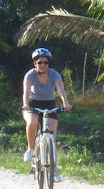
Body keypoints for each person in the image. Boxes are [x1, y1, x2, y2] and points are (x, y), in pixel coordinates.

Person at [22, 47, 72, 181]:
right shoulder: (30, 75)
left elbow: (61, 89)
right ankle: (31, 149)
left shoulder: (54, 74)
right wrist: (26, 104)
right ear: (35, 64)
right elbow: (26, 92)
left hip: (49, 105)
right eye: (40, 62)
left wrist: (65, 103)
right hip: (33, 104)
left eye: (45, 62)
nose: (43, 65)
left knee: (51, 139)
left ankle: (54, 171)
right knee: (32, 122)